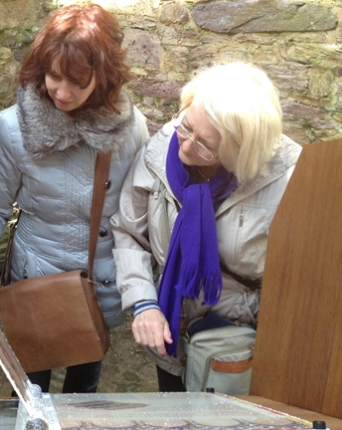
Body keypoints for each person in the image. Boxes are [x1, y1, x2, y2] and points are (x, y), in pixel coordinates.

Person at [0, 4, 149, 393]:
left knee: (83, 392)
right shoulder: (12, 127)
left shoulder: (130, 127)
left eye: (78, 81)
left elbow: (139, 212)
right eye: (55, 76)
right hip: (37, 284)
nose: (63, 92)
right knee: (28, 392)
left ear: (103, 78)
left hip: (96, 287)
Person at [110, 62, 301, 392]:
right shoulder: (160, 153)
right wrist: (144, 303)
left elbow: (300, 281)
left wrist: (251, 324)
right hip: (170, 336)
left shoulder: (289, 181)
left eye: (205, 145)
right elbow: (129, 233)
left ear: (241, 151)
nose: (184, 145)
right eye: (186, 125)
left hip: (236, 346)